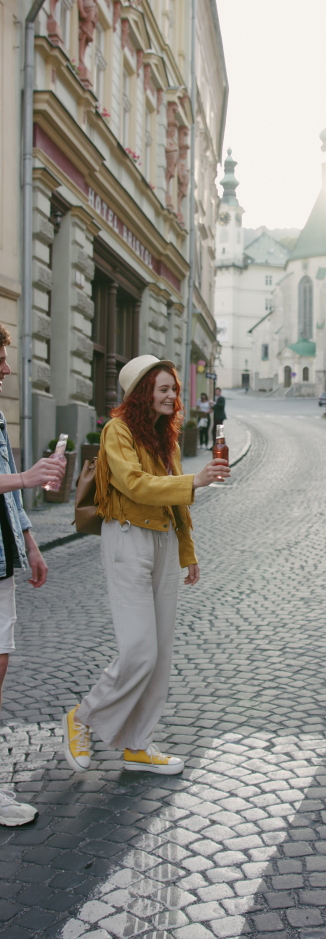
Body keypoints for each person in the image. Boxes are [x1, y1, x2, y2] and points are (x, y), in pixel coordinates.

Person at [62, 355, 230, 777]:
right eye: (163, 389)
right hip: (127, 540)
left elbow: (174, 503)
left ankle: (138, 744)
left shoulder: (166, 439)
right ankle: (82, 717)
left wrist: (186, 551)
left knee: (160, 655)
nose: (173, 396)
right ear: (142, 394)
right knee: (139, 650)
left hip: (163, 543)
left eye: (174, 389)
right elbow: (134, 483)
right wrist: (196, 480)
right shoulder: (116, 431)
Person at [0, 323, 65, 825]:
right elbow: (15, 480)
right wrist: (26, 476)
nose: (6, 367)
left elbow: (13, 495)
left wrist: (30, 541)